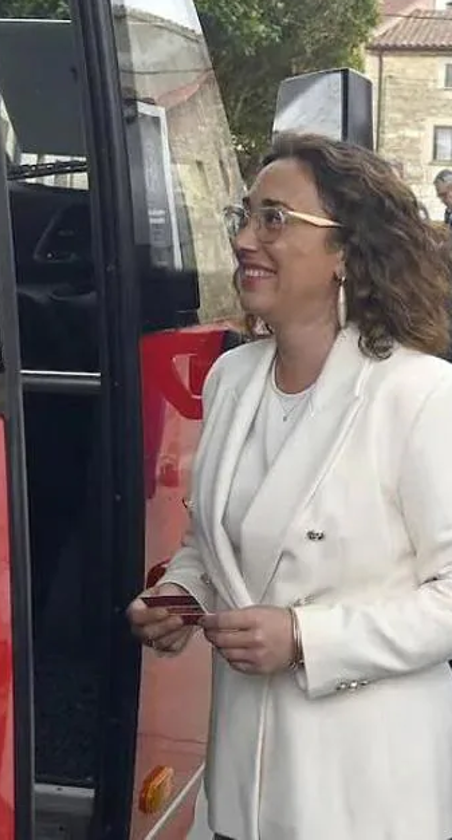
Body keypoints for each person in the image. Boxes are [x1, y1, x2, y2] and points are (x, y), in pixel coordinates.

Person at [127, 132, 452, 840]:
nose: (246, 238)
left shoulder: (421, 395)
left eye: (275, 219)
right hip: (244, 787)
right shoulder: (232, 377)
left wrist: (308, 637)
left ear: (345, 251)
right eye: (245, 216)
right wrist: (184, 592)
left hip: (365, 796)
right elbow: (215, 544)